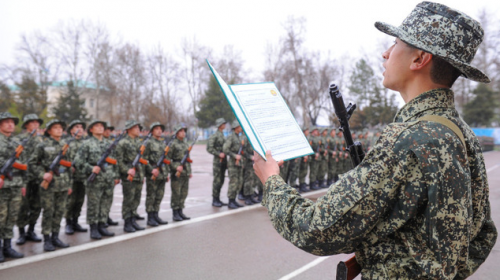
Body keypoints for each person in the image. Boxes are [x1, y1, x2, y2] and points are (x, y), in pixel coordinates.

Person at [253, 2, 497, 279]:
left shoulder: (407, 139)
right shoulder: (461, 133)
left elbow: (317, 229)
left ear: (419, 59)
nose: (386, 53)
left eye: (395, 44)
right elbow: (482, 235)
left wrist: (271, 181)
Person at [31, 120, 72, 251]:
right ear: (49, 131)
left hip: (63, 183)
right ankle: (47, 239)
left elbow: (69, 166)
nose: (59, 130)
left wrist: (70, 184)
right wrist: (42, 175)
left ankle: (55, 237)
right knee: (49, 211)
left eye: (60, 128)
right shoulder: (42, 145)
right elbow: (32, 163)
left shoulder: (65, 145)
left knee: (59, 211)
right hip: (49, 184)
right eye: (55, 128)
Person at [73, 120, 116, 239]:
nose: (100, 128)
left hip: (107, 177)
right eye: (97, 126)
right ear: (91, 129)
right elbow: (78, 162)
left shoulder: (108, 143)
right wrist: (91, 168)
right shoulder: (87, 144)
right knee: (94, 204)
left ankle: (102, 225)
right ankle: (94, 228)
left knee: (106, 202)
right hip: (95, 179)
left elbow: (115, 161)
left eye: (102, 126)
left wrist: (115, 176)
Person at [0, 112, 26, 261]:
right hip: (2, 185)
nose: (10, 124)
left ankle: (8, 247)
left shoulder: (17, 143)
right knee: (1, 217)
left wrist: (23, 184)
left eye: (12, 122)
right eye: (6, 122)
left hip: (15, 184)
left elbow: (23, 166)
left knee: (12, 217)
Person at [15, 114, 44, 245]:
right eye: (31, 123)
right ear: (26, 125)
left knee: (37, 205)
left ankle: (31, 230)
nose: (35, 125)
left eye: (36, 123)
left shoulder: (41, 141)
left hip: (37, 178)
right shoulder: (19, 139)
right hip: (24, 178)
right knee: (23, 206)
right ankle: (21, 232)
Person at [115, 120, 146, 233]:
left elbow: (141, 161)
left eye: (139, 128)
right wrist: (126, 171)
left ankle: (133, 220)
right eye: (136, 127)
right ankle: (127, 223)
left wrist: (142, 175)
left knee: (136, 199)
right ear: (129, 129)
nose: (138, 130)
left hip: (138, 174)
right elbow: (119, 161)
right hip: (129, 175)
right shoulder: (122, 143)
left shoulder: (139, 142)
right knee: (128, 200)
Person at [143, 122, 169, 226]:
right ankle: (150, 217)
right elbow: (143, 159)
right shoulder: (148, 143)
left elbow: (165, 159)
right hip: (153, 172)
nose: (159, 130)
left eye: (160, 129)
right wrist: (150, 170)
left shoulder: (162, 144)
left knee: (159, 195)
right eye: (156, 129)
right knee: (151, 196)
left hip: (162, 173)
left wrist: (166, 173)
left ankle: (156, 215)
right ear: (152, 131)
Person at [65, 119, 88, 235]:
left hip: (83, 176)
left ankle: (75, 221)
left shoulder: (86, 143)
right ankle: (68, 223)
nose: (80, 129)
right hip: (72, 177)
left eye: (81, 127)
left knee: (80, 200)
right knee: (70, 201)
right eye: (76, 127)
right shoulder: (68, 144)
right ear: (71, 130)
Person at [167, 124, 192, 221]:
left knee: (184, 192)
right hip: (176, 171)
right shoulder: (172, 144)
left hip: (185, 170)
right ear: (177, 133)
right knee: (176, 193)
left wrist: (189, 171)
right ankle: (175, 213)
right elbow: (167, 159)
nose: (183, 133)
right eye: (181, 131)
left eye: (184, 131)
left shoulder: (185, 143)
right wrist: (175, 167)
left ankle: (181, 211)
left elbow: (188, 158)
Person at [222, 120, 245, 209]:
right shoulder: (231, 137)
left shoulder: (238, 137)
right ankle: (230, 201)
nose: (241, 128)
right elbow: (225, 149)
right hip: (233, 164)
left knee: (238, 182)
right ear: (236, 127)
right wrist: (234, 155)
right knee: (233, 183)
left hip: (239, 163)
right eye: (240, 126)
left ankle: (234, 200)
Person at [206, 118, 228, 207]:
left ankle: (218, 199)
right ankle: (215, 199)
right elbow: (209, 148)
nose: (224, 124)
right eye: (223, 123)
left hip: (224, 161)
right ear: (219, 125)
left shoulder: (223, 135)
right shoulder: (214, 135)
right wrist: (218, 154)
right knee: (217, 181)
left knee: (221, 180)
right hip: (218, 161)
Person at [102, 122, 119, 227]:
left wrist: (116, 176)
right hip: (101, 173)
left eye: (109, 129)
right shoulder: (97, 143)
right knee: (100, 199)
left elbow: (115, 160)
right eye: (106, 129)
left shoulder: (111, 143)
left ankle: (106, 216)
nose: (108, 131)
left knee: (108, 197)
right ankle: (101, 220)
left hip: (110, 174)